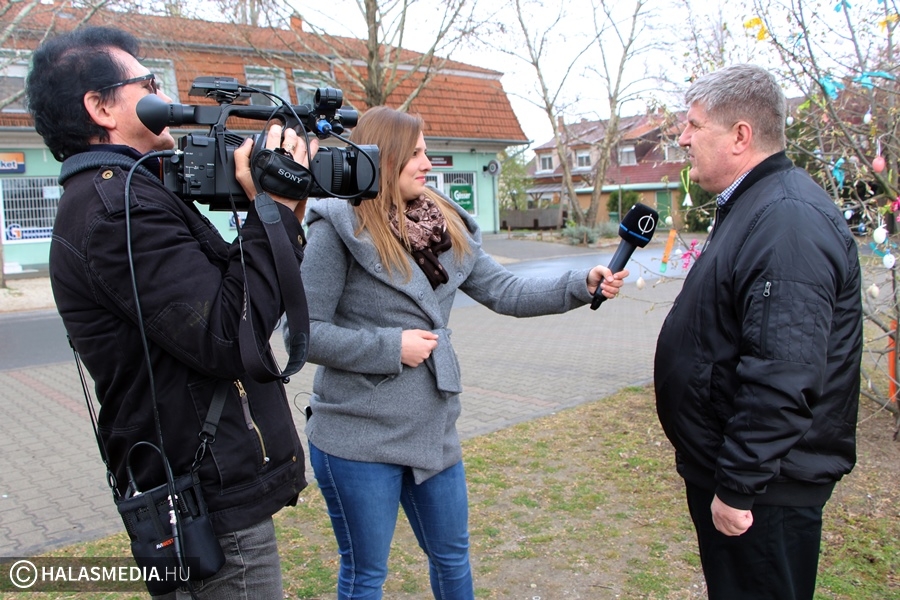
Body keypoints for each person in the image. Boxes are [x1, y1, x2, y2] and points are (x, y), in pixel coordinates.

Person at [27, 26, 316, 598]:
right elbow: (230, 334)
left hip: (205, 485)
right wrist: (273, 211)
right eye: (149, 83)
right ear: (100, 107)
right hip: (206, 501)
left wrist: (279, 214)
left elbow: (223, 300)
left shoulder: (130, 194)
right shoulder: (115, 211)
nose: (165, 94)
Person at [299, 105, 628, 599]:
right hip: (356, 436)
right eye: (415, 153)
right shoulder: (338, 228)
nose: (428, 163)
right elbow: (302, 333)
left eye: (427, 151)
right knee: (366, 575)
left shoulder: (443, 224)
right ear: (382, 158)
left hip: (432, 430)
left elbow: (508, 291)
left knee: (453, 560)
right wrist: (390, 347)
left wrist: (581, 284)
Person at [654, 64, 863, 600]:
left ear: (741, 136)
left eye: (694, 125)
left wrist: (739, 485)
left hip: (765, 489)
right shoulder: (755, 205)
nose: (681, 138)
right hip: (742, 473)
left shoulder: (787, 220)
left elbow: (783, 371)